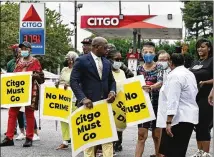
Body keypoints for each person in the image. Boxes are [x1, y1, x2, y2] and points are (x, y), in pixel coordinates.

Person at [70, 37, 116, 157]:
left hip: (104, 105)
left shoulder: (106, 62)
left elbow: (112, 81)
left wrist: (112, 91)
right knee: (90, 141)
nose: (107, 50)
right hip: (88, 105)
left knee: (107, 139)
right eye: (105, 47)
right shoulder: (82, 60)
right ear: (96, 47)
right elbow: (73, 81)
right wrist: (83, 98)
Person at [0, 41, 44, 147]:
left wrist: (34, 75)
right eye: (22, 49)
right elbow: (15, 75)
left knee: (29, 114)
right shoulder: (19, 61)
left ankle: (29, 138)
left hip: (30, 91)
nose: (23, 51)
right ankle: (9, 137)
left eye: (25, 49)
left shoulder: (35, 61)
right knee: (12, 112)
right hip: (18, 91)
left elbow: (41, 78)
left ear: (30, 50)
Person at [158, 53, 199, 157]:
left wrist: (168, 122)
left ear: (170, 62)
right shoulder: (189, 73)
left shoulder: (175, 75)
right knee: (179, 151)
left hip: (177, 120)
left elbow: (173, 99)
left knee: (171, 152)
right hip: (188, 117)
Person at [136, 42, 163, 157]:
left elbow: (161, 82)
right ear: (142, 53)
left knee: (157, 136)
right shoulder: (138, 68)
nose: (148, 54)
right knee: (141, 135)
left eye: (150, 52)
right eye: (145, 52)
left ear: (154, 53)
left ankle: (158, 155)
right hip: (143, 105)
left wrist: (151, 87)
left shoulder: (160, 67)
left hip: (157, 104)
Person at [189, 38, 213, 157]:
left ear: (209, 48)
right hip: (194, 98)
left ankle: (206, 153)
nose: (200, 49)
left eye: (203, 46)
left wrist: (205, 82)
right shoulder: (195, 62)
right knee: (197, 126)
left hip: (207, 98)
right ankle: (199, 151)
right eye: (198, 47)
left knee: (204, 125)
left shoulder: (212, 61)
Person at [56, 51, 79, 150]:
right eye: (67, 59)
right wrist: (58, 83)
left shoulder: (78, 70)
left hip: (74, 97)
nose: (68, 61)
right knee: (63, 119)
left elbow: (80, 82)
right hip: (63, 97)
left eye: (70, 59)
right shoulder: (64, 69)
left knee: (74, 119)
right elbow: (60, 79)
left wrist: (70, 85)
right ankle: (65, 140)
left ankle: (77, 140)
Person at [106, 49, 126, 152]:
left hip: (120, 105)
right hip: (109, 103)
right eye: (116, 59)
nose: (118, 61)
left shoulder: (123, 72)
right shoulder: (106, 71)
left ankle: (118, 144)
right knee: (110, 126)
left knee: (119, 124)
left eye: (120, 59)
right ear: (110, 60)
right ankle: (109, 147)